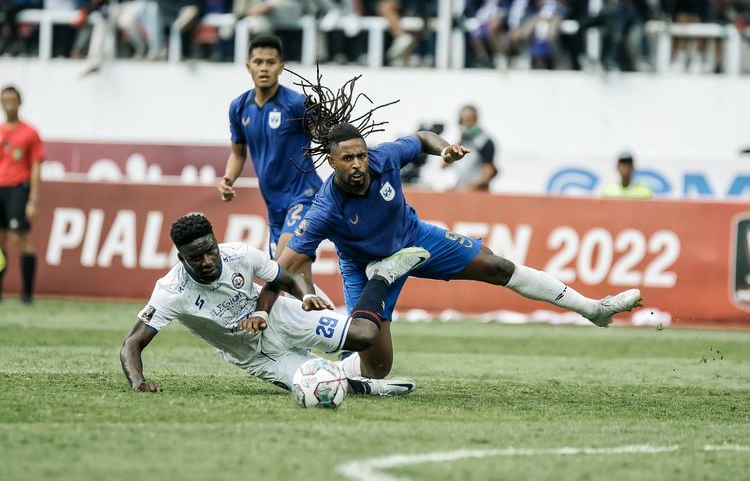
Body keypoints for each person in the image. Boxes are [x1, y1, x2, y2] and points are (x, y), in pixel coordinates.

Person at [260, 73, 643, 380]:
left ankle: (592, 309)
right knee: (377, 367)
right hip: (364, 266)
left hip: (416, 239)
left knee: (496, 266)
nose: (358, 164)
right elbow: (283, 263)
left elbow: (423, 139)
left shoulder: (384, 158)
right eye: (349, 159)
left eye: (361, 155)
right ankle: (330, 371)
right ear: (332, 162)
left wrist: (444, 148)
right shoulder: (326, 208)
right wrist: (261, 309)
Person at [120, 213, 425, 395]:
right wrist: (138, 381)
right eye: (196, 258)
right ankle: (363, 384)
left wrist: (306, 296)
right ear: (180, 258)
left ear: (216, 241)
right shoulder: (171, 291)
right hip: (255, 355)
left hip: (281, 316)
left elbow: (286, 278)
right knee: (325, 386)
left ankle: (381, 276)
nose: (208, 260)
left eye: (210, 250)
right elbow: (132, 343)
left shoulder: (238, 253)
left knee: (367, 337)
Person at [219, 35, 326, 291]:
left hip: (304, 195)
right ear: (249, 66)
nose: (264, 67)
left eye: (270, 62)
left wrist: (325, 127)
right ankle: (316, 319)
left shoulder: (297, 104)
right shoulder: (239, 107)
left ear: (281, 66)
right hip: (274, 205)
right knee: (296, 278)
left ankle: (264, 313)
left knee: (281, 265)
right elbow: (238, 153)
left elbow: (322, 136)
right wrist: (228, 179)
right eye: (258, 62)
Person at [0, 85, 43, 304]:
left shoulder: (30, 132)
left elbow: (36, 167)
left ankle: (27, 294)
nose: (9, 103)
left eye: (12, 99)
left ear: (20, 102)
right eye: (5, 99)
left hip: (17, 189)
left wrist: (33, 199)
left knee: (21, 239)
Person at [443, 105, 498, 191]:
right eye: (463, 121)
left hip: (477, 193)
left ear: (476, 120)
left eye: (469, 120)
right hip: (461, 191)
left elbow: (488, 173)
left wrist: (465, 189)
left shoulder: (484, 142)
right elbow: (443, 166)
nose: (466, 124)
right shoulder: (461, 142)